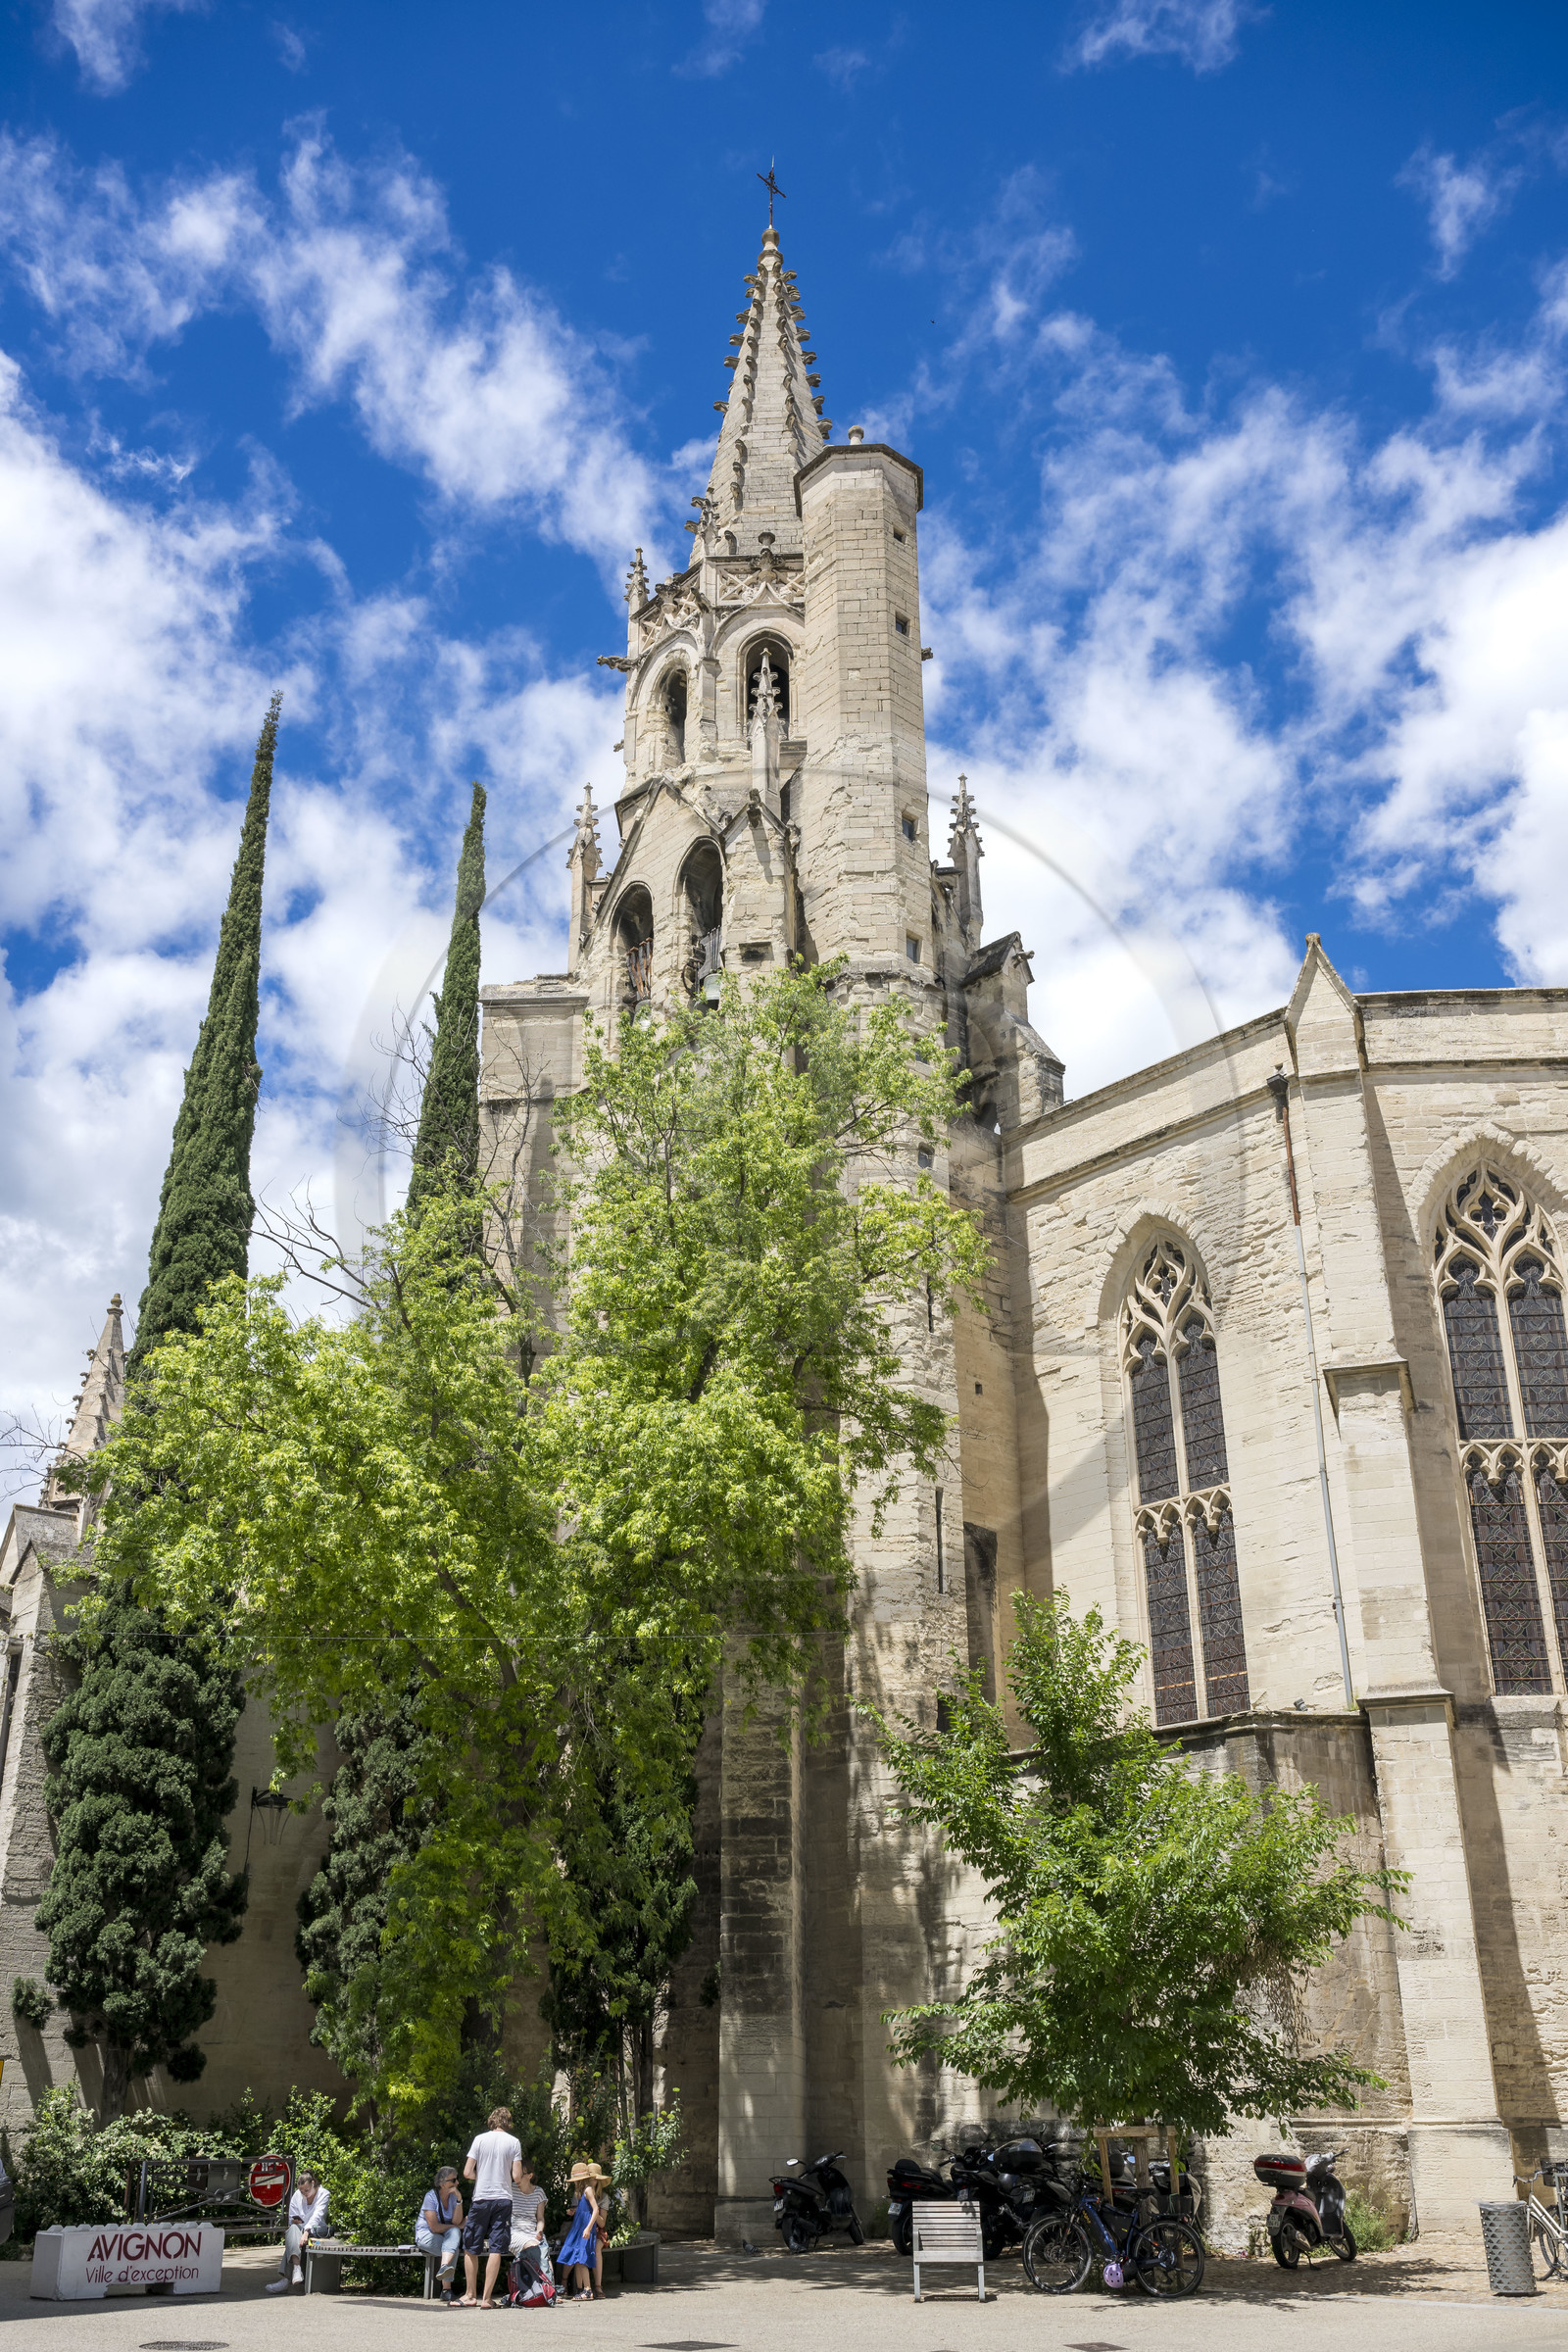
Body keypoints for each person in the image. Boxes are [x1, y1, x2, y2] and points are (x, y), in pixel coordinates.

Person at [462, 2103, 523, 2309]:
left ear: (491, 2121)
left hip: (481, 2197)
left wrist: (483, 2177)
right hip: (503, 2199)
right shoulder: (514, 2142)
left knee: (471, 2246)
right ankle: (487, 2299)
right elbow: (516, 2176)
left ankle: (470, 2295)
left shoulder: (479, 2139)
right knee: (496, 2247)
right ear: (508, 2123)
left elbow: (467, 2172)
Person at [267, 2166, 329, 2292]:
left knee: (293, 2237)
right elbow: (292, 2218)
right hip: (299, 2229)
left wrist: (306, 2232)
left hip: (316, 2229)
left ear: (313, 2183)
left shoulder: (324, 2194)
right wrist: (294, 2221)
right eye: (301, 2191)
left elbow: (317, 2216)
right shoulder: (297, 2195)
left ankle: (286, 2280)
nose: (304, 2194)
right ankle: (296, 2269)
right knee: (293, 2230)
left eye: (306, 2190)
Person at [556, 2162, 608, 2303]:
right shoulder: (583, 2191)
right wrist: (575, 2212)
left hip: (584, 2228)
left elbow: (596, 2210)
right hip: (579, 2228)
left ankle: (588, 2290)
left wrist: (588, 2228)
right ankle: (582, 2289)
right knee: (578, 2258)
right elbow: (586, 2210)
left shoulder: (588, 2190)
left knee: (582, 2258)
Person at [416, 2165, 465, 2303]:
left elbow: (456, 2221)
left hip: (445, 2236)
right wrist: (458, 2226)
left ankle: (444, 2267)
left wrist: (459, 2200)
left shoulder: (452, 2198)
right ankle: (446, 2290)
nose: (457, 2183)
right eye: (454, 2180)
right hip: (426, 2235)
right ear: (442, 2183)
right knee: (452, 2246)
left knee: (452, 2241)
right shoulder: (430, 2197)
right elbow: (435, 2227)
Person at [509, 2152, 550, 2297]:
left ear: (529, 2176)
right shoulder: (510, 2189)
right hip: (514, 2231)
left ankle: (548, 2291)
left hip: (532, 2230)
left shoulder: (538, 2192)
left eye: (521, 2173)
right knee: (535, 2247)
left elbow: (540, 2218)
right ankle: (540, 2289)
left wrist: (539, 2231)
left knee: (543, 2248)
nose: (517, 2176)